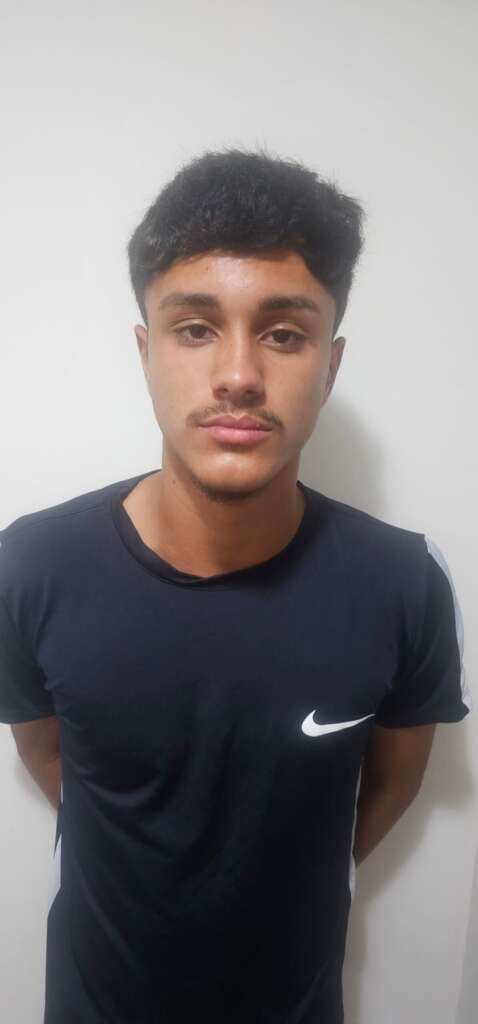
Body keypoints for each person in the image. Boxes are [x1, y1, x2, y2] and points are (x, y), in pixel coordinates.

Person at [0, 147, 472, 1024]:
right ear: (145, 352)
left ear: (331, 364)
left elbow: (394, 784)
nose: (239, 376)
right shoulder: (29, 566)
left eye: (284, 333)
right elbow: (49, 753)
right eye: (195, 328)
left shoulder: (403, 583)